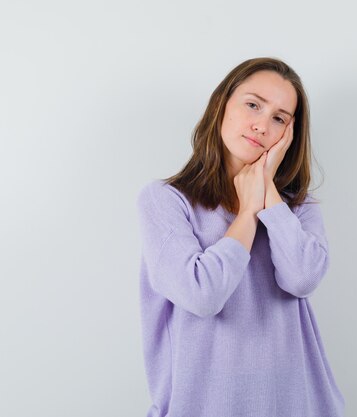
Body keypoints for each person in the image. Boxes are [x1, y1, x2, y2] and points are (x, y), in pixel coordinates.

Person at [136, 57, 345, 417]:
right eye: (253, 105)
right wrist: (247, 213)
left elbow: (302, 277)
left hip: (299, 406)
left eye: (279, 118)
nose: (262, 125)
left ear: (289, 136)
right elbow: (202, 295)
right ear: (222, 104)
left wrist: (269, 199)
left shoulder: (296, 208)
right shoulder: (165, 201)